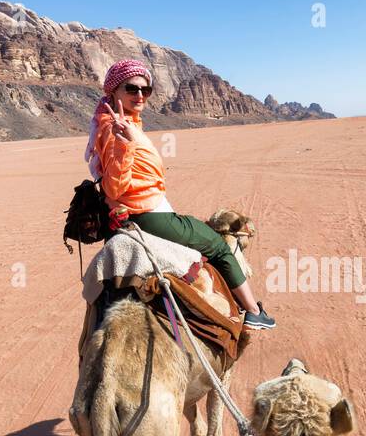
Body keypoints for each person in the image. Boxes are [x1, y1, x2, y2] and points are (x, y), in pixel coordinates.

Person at [86, 59, 276, 330]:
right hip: (147, 214)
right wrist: (126, 144)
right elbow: (114, 186)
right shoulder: (117, 129)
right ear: (114, 91)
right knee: (220, 247)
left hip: (143, 208)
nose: (140, 95)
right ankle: (254, 312)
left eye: (146, 90)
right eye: (131, 88)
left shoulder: (122, 123)